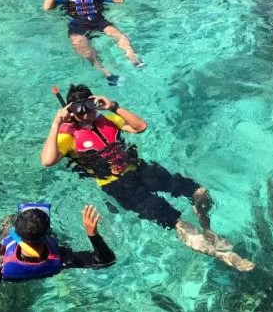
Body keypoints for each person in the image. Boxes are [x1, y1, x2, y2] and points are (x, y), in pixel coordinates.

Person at [40, 84, 255, 272]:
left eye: (88, 107)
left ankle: (207, 228)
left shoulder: (105, 118)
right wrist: (56, 123)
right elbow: (47, 160)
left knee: (199, 191)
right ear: (70, 112)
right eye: (79, 111)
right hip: (117, 186)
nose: (85, 114)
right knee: (176, 222)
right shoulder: (68, 135)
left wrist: (113, 106)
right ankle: (224, 255)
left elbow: (140, 127)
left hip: (140, 169)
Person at [0, 203, 115, 312]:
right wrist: (92, 233)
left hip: (3, 262)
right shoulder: (61, 258)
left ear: (16, 233)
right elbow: (106, 260)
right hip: (39, 261)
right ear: (47, 234)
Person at [42, 0, 144, 86]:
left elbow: (119, 1)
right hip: (77, 24)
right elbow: (47, 7)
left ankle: (133, 59)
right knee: (82, 48)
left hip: (98, 20)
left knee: (119, 35)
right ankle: (107, 73)